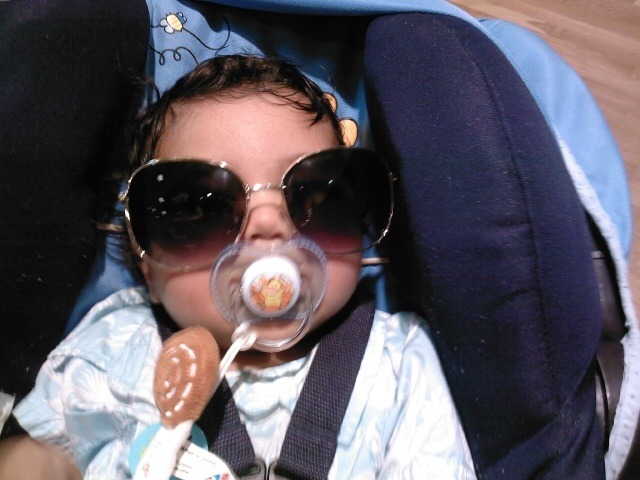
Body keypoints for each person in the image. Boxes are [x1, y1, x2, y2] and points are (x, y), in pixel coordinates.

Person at [0, 54, 475, 479]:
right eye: (203, 208)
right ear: (148, 267)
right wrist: (34, 463)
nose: (268, 225)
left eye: (314, 197)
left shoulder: (397, 362)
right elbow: (33, 452)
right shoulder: (112, 344)